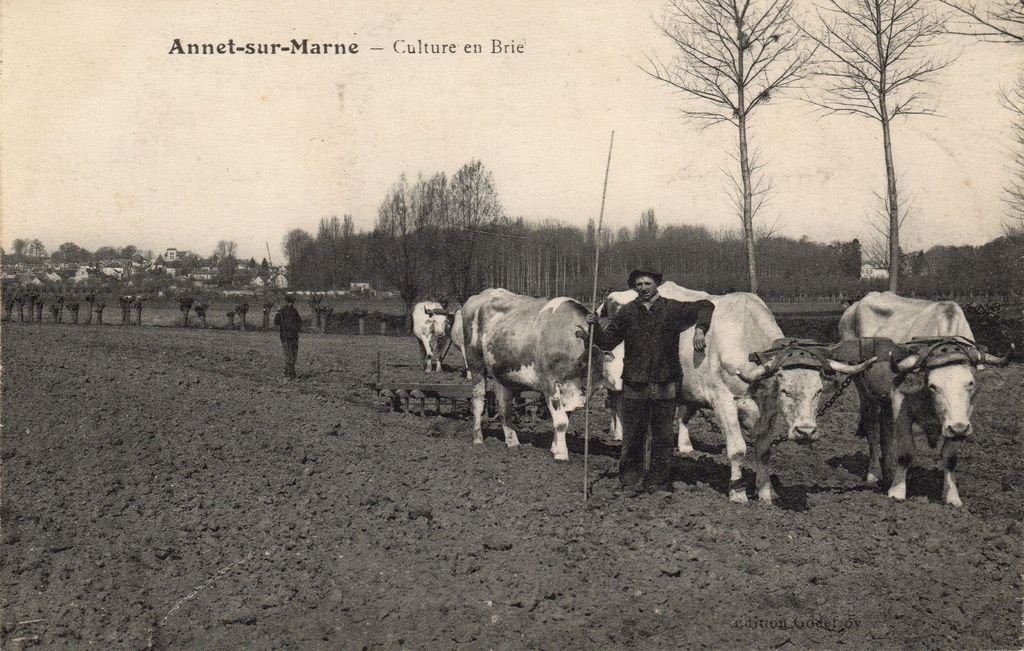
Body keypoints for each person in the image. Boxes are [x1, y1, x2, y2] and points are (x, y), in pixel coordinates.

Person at [582, 269, 715, 495]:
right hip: (635, 382)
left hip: (666, 382)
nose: (643, 288)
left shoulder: (672, 308)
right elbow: (608, 342)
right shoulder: (627, 313)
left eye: (647, 283)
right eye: (639, 284)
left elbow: (706, 305)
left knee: (663, 437)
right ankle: (630, 482)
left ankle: (659, 482)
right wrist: (593, 328)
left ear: (656, 285)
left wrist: (700, 330)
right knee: (632, 435)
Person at [274, 294, 303, 379]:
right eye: (289, 302)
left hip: (294, 337)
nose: (291, 304)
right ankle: (290, 374)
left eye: (292, 302)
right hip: (285, 336)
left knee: (294, 356)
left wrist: (297, 328)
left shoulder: (294, 311)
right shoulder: (282, 311)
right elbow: (276, 322)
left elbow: (299, 322)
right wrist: (278, 313)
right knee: (288, 356)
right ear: (287, 302)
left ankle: (288, 372)